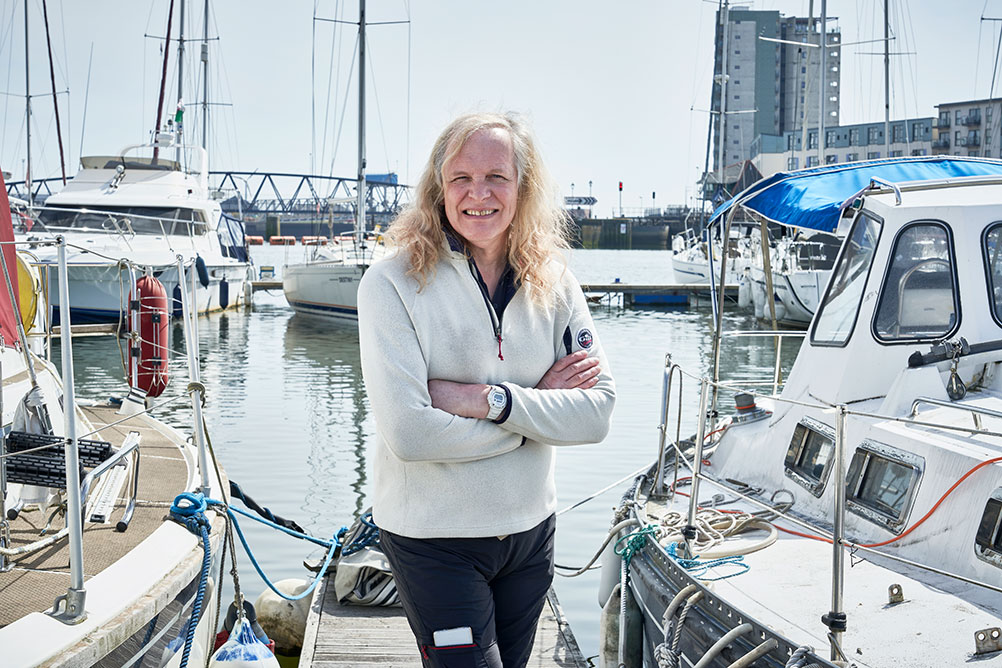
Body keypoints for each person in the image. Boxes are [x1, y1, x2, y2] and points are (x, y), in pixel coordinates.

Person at [357, 111, 615, 668]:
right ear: (437, 188)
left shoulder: (554, 280)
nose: (479, 193)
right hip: (434, 540)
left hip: (529, 535)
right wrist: (533, 416)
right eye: (461, 178)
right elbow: (410, 433)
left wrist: (492, 402)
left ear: (523, 187)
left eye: (497, 176)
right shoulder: (391, 283)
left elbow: (596, 413)